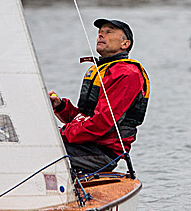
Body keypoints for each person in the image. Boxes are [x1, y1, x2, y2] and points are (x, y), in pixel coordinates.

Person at [49, 18, 150, 175]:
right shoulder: (100, 70)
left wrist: (61, 134)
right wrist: (60, 106)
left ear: (125, 44)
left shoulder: (126, 74)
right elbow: (84, 119)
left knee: (39, 151)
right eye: (100, 32)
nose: (101, 35)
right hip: (86, 144)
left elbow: (103, 123)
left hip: (101, 152)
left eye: (109, 32)